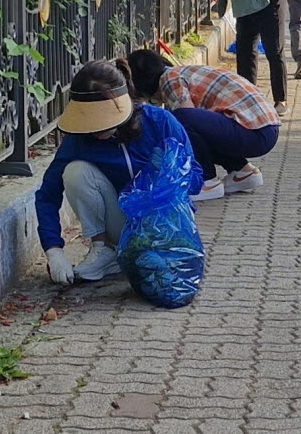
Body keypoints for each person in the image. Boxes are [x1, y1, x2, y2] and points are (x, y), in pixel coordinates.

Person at [35, 59, 203, 284]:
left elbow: (197, 177)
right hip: (122, 223)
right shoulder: (78, 141)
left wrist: (169, 172)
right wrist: (53, 250)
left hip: (166, 224)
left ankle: (138, 256)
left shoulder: (160, 122)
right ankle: (103, 250)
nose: (95, 130)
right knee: (75, 171)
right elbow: (47, 193)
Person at [126, 48, 280, 199]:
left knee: (179, 121)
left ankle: (207, 181)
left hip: (253, 131)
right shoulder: (184, 72)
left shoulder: (169, 78)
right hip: (265, 129)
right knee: (195, 129)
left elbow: (185, 124)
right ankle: (241, 171)